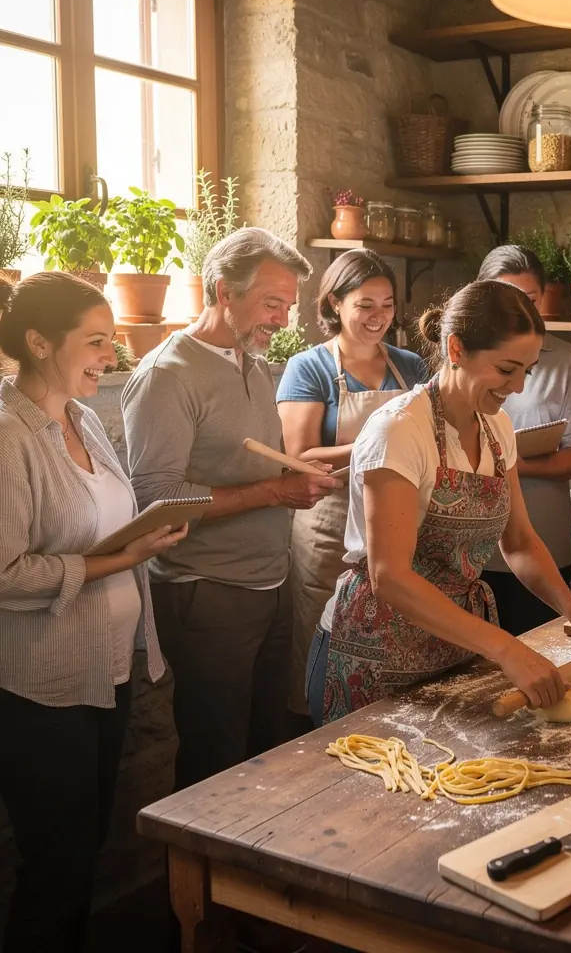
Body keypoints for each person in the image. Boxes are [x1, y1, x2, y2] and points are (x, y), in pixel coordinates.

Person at [307, 280, 571, 726]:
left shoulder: (497, 428)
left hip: (453, 645)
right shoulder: (400, 430)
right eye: (506, 369)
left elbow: (520, 541)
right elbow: (390, 576)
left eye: (528, 370)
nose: (518, 387)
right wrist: (506, 646)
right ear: (457, 349)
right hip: (375, 653)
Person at [0, 273, 185, 953]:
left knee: (82, 852)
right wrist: (117, 560)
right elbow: (5, 576)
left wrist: (148, 535)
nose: (111, 355)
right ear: (39, 341)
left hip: (104, 670)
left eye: (111, 339)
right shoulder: (8, 437)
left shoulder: (83, 420)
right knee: (57, 867)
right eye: (96, 341)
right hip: (41, 687)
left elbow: (113, 524)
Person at [122, 227, 338, 790]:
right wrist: (274, 493)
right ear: (222, 290)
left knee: (265, 748)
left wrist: (298, 475)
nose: (282, 320)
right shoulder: (166, 376)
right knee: (213, 762)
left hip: (268, 582)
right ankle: (200, 877)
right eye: (272, 304)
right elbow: (156, 501)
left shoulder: (252, 359)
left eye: (288, 306)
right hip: (206, 591)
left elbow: (247, 465)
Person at [277, 249, 426, 718]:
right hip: (329, 524)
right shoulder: (310, 367)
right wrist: (380, 442)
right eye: (365, 305)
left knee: (390, 637)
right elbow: (299, 458)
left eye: (387, 304)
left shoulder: (410, 366)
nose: (378, 316)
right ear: (335, 304)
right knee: (324, 635)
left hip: (397, 521)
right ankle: (311, 736)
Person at [475, 244, 571, 634]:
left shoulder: (568, 359)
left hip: (542, 534)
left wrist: (513, 462)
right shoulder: (462, 361)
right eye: (507, 298)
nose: (520, 311)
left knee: (540, 647)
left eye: (530, 299)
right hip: (474, 537)